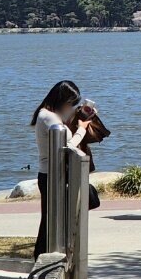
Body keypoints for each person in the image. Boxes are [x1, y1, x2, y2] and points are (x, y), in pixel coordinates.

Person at [31, 79, 89, 258]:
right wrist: (82, 130)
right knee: (51, 219)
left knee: (50, 218)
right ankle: (42, 255)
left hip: (50, 173)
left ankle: (44, 254)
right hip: (52, 174)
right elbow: (66, 146)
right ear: (62, 100)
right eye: (71, 103)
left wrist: (81, 118)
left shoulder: (48, 115)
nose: (71, 107)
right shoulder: (49, 117)